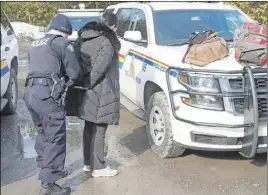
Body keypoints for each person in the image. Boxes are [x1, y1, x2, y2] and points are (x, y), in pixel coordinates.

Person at [23, 14, 82, 195]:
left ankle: (46, 167)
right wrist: (67, 84)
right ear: (64, 32)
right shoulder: (61, 43)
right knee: (56, 137)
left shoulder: (35, 44)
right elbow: (75, 73)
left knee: (44, 133)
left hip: (30, 93)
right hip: (47, 95)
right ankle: (48, 185)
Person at [74, 12, 121, 177]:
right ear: (113, 26)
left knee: (89, 127)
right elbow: (100, 68)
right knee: (100, 128)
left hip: (86, 90)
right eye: (116, 27)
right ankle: (99, 168)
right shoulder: (106, 41)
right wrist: (90, 82)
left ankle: (88, 163)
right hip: (102, 90)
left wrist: (83, 84)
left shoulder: (82, 38)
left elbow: (76, 62)